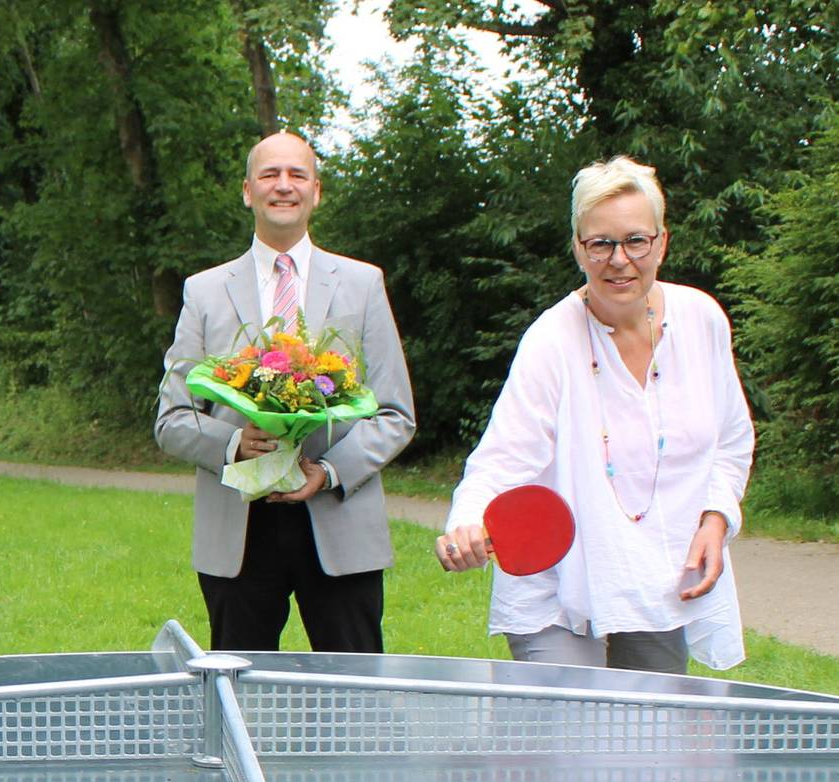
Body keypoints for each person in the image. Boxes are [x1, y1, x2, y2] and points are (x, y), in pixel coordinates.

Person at [435, 156, 754, 673]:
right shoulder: (550, 340)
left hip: (659, 579)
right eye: (600, 243)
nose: (619, 259)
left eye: (635, 240)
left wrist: (715, 521)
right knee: (568, 744)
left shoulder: (703, 321)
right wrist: (467, 522)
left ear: (662, 243)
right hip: (557, 587)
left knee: (653, 745)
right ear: (579, 249)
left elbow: (732, 442)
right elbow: (503, 457)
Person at [155, 132, 417, 653]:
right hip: (239, 531)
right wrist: (233, 446)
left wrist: (329, 471)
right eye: (270, 174)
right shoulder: (204, 291)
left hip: (338, 520)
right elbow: (172, 419)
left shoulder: (363, 285)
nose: (283, 185)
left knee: (354, 696)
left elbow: (394, 413)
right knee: (240, 700)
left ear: (316, 192)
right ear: (248, 191)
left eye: (297, 175)